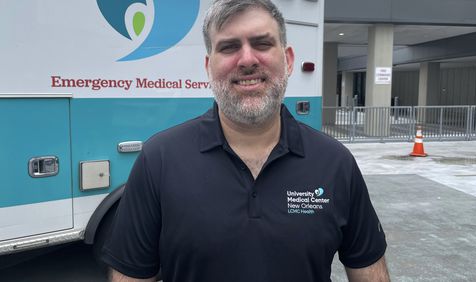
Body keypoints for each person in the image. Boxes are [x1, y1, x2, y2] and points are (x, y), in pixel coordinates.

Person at [101, 0, 390, 281]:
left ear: (288, 60)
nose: (248, 59)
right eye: (229, 47)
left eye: (262, 44)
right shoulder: (159, 159)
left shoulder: (335, 162)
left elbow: (368, 270)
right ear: (208, 66)